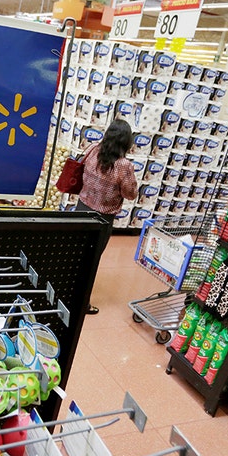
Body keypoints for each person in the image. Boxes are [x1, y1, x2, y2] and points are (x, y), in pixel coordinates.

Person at [76, 118, 139, 314]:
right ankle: (81, 303)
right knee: (90, 262)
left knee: (75, 255)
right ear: (126, 142)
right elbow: (130, 193)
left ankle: (64, 292)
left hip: (81, 209)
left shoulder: (94, 149)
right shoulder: (123, 165)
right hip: (101, 220)